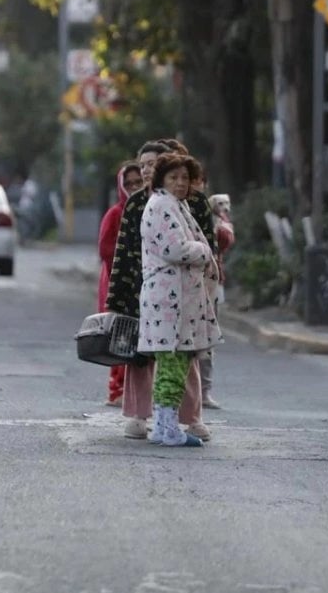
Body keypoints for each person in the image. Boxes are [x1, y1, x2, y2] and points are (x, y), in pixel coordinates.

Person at [105, 140, 209, 441]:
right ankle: (154, 421)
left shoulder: (190, 204)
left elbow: (207, 242)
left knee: (179, 361)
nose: (148, 170)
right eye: (144, 164)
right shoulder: (148, 204)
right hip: (160, 295)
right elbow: (126, 252)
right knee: (158, 359)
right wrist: (116, 299)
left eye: (183, 178)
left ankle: (183, 420)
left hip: (183, 295)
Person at [138, 152, 222, 447]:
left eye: (185, 178)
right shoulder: (161, 205)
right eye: (173, 177)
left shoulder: (176, 205)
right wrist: (203, 250)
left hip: (178, 300)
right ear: (162, 179)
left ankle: (164, 425)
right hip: (169, 301)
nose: (180, 183)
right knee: (173, 362)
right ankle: (168, 427)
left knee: (173, 364)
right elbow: (174, 249)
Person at [98, 161, 142, 407]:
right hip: (116, 281)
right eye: (129, 184)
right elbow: (105, 248)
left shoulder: (149, 209)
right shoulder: (115, 213)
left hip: (143, 282)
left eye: (138, 182)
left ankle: (136, 391)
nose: (134, 187)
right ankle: (117, 389)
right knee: (119, 335)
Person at [203, 191, 235, 409]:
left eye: (226, 203)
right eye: (219, 203)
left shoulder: (222, 222)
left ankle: (204, 391)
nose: (223, 207)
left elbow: (225, 242)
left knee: (208, 339)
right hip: (201, 281)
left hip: (215, 280)